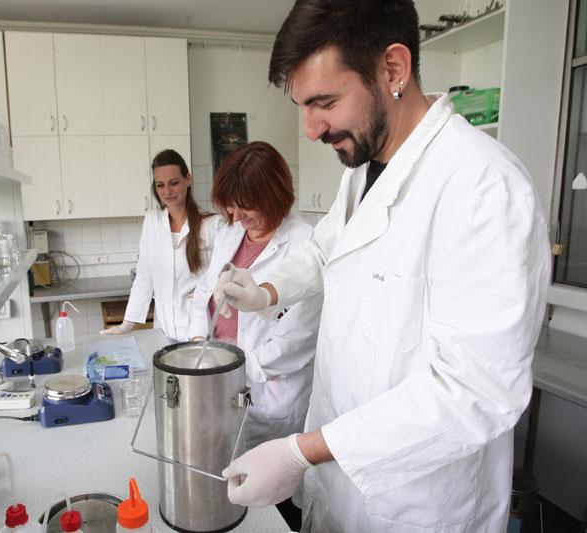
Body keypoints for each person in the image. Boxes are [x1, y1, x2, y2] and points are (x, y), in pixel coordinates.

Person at [217, 1, 551, 531]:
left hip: (417, 505)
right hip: (340, 485)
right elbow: (325, 250)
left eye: (324, 102)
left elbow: (477, 391)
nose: (311, 129)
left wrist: (302, 451)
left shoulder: (483, 188)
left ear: (393, 69)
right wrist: (266, 290)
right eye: (303, 106)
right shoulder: (365, 168)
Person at [188, 141, 321, 530]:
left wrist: (227, 374)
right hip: (221, 379)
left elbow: (294, 343)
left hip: (267, 394)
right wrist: (198, 345)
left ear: (274, 196)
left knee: (274, 502)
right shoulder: (232, 232)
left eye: (246, 206)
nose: (236, 215)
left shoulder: (304, 244)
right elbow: (202, 293)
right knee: (233, 486)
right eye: (231, 206)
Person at [101, 149, 223, 343]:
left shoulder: (213, 225)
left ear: (188, 179)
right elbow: (144, 277)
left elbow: (223, 279)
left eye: (174, 183)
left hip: (201, 333)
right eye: (160, 185)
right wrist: (126, 325)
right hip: (164, 332)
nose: (167, 191)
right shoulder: (152, 222)